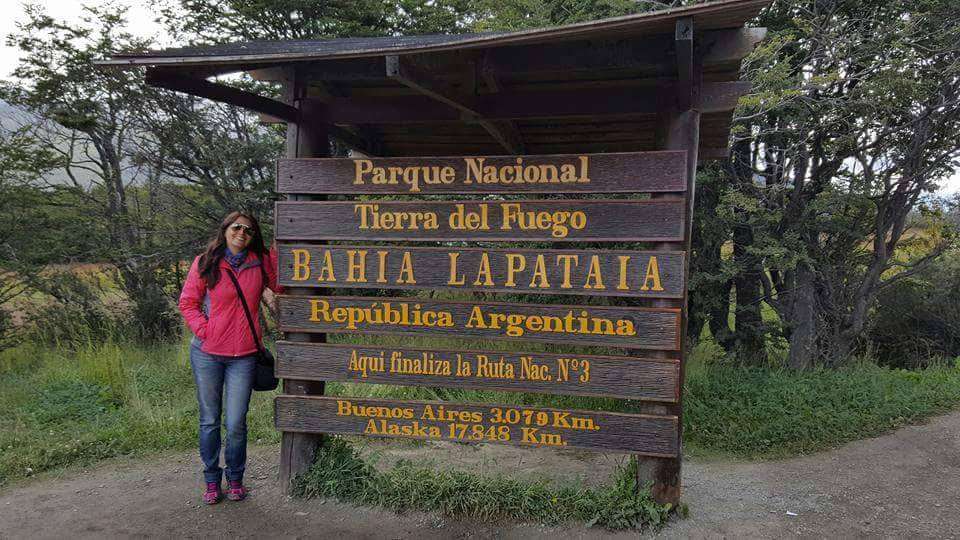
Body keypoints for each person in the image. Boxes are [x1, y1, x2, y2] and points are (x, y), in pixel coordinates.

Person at [178, 211, 282, 504]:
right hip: (207, 354)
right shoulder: (206, 262)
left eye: (248, 230)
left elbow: (280, 286)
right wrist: (205, 330)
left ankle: (235, 478)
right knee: (210, 420)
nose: (242, 233)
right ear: (225, 230)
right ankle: (212, 481)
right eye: (237, 227)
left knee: (236, 422)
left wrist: (274, 251)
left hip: (244, 356)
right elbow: (188, 303)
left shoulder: (258, 262)